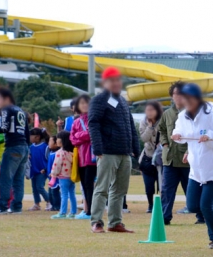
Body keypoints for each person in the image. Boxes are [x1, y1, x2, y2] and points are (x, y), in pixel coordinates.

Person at [171, 83, 213, 249]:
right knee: (193, 206)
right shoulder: (183, 116)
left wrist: (210, 136)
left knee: (205, 206)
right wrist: (177, 136)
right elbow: (180, 134)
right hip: (195, 169)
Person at [88, 66, 140, 234]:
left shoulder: (123, 101)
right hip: (107, 151)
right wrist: (97, 147)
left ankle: (115, 222)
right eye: (112, 80)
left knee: (120, 190)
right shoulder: (99, 100)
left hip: (124, 152)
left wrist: (135, 148)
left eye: (118, 80)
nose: (116, 83)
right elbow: (93, 123)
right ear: (105, 82)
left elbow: (130, 125)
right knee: (102, 188)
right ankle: (96, 222)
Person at [158, 81, 201, 225]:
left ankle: (201, 216)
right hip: (169, 158)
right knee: (166, 190)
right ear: (172, 96)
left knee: (192, 189)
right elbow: (162, 129)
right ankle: (165, 217)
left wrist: (189, 151)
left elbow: (197, 134)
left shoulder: (193, 113)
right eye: (177, 94)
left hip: (187, 159)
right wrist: (164, 143)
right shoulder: (167, 114)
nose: (180, 97)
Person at [0, 88, 29, 214]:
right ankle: (16, 207)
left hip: (13, 146)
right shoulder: (20, 110)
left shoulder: (6, 109)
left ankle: (1, 206)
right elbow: (26, 132)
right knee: (18, 180)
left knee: (4, 177)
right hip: (24, 147)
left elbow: (4, 127)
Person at [69, 94, 95, 219]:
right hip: (81, 159)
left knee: (91, 185)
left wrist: (80, 135)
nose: (84, 105)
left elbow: (92, 134)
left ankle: (91, 212)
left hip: (93, 158)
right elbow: (72, 139)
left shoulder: (94, 119)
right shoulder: (76, 122)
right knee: (85, 186)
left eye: (87, 103)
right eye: (82, 103)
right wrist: (83, 136)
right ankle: (88, 210)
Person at [139, 101, 164, 212]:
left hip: (161, 157)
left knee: (162, 185)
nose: (149, 112)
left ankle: (163, 206)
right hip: (147, 157)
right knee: (149, 186)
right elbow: (144, 138)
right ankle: (150, 205)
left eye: (151, 110)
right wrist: (149, 128)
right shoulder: (143, 122)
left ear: (157, 111)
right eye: (147, 110)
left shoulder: (163, 121)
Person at [49, 130, 77, 219]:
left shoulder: (60, 153)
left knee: (64, 194)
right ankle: (73, 212)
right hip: (71, 176)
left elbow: (56, 165)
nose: (56, 140)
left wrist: (53, 174)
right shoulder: (72, 152)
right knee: (72, 194)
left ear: (62, 140)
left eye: (57, 138)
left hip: (63, 177)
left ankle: (62, 212)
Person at [28, 127, 50, 211]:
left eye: (31, 136)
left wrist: (46, 169)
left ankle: (49, 201)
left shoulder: (45, 146)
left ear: (37, 137)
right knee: (34, 188)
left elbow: (48, 159)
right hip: (33, 171)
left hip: (42, 171)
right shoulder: (31, 147)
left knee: (40, 187)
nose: (29, 137)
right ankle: (36, 204)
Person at [46, 135, 61, 212]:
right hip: (50, 177)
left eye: (50, 141)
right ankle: (53, 205)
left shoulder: (57, 154)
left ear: (56, 144)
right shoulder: (50, 152)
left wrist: (53, 173)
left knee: (55, 192)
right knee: (50, 193)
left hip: (55, 177)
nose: (48, 143)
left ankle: (57, 206)